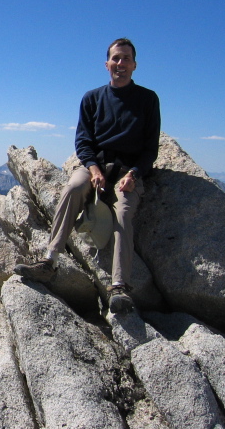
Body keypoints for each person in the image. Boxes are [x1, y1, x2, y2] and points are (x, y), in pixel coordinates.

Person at [13, 38, 161, 313]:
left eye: (126, 58)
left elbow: (151, 148)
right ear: (107, 64)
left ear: (134, 65)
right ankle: (49, 260)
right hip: (96, 166)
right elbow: (83, 141)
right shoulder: (92, 98)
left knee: (124, 213)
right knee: (72, 189)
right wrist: (93, 170)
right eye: (116, 58)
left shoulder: (148, 99)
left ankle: (119, 286)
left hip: (128, 171)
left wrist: (134, 174)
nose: (121, 63)